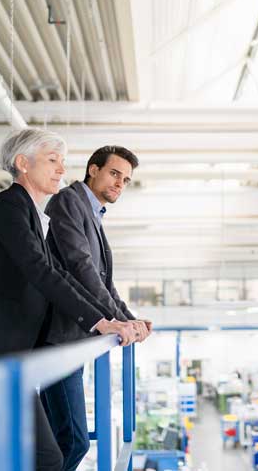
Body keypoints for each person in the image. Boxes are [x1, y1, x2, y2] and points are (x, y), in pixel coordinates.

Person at [0, 129, 138, 471]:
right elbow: (41, 271)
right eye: (52, 161)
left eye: (62, 162)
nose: (61, 170)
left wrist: (106, 319)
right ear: (23, 163)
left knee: (31, 455)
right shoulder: (9, 205)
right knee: (46, 456)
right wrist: (99, 320)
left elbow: (58, 275)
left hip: (7, 352)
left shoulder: (31, 212)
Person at [42, 145, 152, 471]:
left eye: (126, 179)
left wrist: (131, 320)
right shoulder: (69, 202)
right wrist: (118, 320)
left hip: (74, 336)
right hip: (58, 338)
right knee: (74, 441)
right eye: (114, 173)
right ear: (93, 169)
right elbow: (81, 267)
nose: (120, 183)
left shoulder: (93, 213)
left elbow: (103, 282)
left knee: (57, 441)